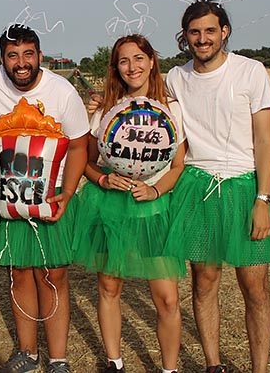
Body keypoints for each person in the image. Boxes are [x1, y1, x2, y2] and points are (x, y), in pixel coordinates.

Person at [163, 0, 270, 373]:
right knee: (204, 282)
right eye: (194, 32)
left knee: (255, 287)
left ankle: (259, 369)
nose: (202, 39)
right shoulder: (175, 78)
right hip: (198, 188)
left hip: (244, 187)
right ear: (185, 36)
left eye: (210, 31)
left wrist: (263, 199)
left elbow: (264, 139)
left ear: (225, 32)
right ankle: (213, 365)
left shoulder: (251, 72)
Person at [72, 35, 186, 373]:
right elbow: (87, 163)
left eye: (138, 58)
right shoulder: (106, 109)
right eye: (124, 60)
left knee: (168, 298)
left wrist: (155, 191)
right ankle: (114, 362)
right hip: (111, 208)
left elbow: (178, 165)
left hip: (154, 209)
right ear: (116, 67)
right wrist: (103, 180)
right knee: (109, 288)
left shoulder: (171, 108)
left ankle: (169, 369)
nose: (132, 66)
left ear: (151, 61)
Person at [0, 24, 89, 373]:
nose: (21, 63)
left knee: (53, 275)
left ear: (40, 56)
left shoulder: (62, 91)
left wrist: (68, 193)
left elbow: (79, 145)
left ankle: (58, 359)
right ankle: (28, 353)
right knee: (19, 273)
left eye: (28, 54)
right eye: (12, 56)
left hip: (49, 196)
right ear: (2, 59)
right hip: (8, 198)